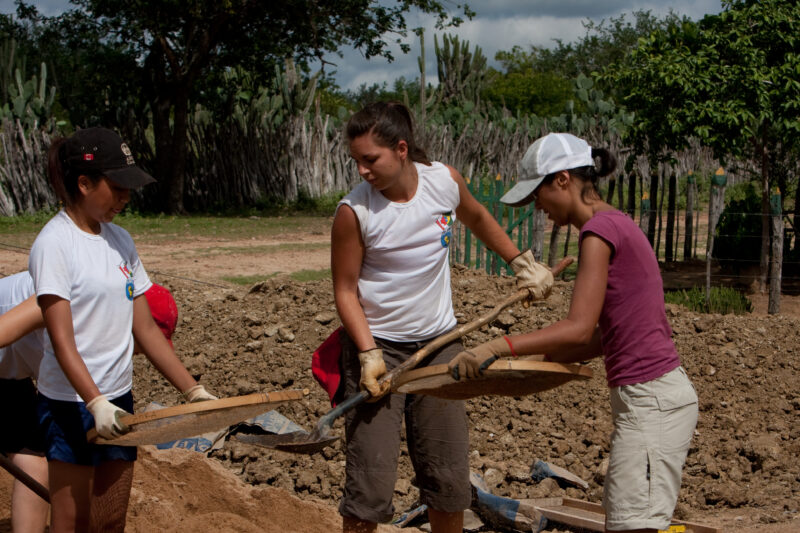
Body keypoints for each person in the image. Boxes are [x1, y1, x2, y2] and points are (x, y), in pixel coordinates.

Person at [447, 132, 699, 532]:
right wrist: (522, 364)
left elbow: (578, 327)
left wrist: (498, 345)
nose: (538, 208)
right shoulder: (616, 223)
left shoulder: (598, 233)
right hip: (654, 400)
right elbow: (599, 336)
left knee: (633, 525)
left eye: (538, 196)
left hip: (651, 402)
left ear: (562, 180)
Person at [332, 101, 554, 533]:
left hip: (440, 346)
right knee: (370, 485)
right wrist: (367, 353)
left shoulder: (443, 181)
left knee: (447, 476)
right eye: (356, 161)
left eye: (369, 159)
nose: (362, 170)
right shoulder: (354, 212)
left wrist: (520, 263)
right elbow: (345, 290)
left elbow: (476, 216)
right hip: (379, 352)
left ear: (400, 149)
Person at [27, 127, 216, 533]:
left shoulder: (121, 241)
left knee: (110, 518)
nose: (126, 198)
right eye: (117, 188)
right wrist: (94, 402)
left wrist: (192, 390)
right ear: (83, 183)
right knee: (71, 522)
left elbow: (145, 328)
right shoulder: (54, 244)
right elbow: (61, 340)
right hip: (70, 404)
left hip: (118, 396)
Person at [0, 272, 183, 533]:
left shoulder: (98, 316)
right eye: (140, 343)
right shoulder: (75, 313)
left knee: (33, 455)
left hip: (12, 368)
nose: (140, 353)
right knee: (41, 454)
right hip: (7, 355)